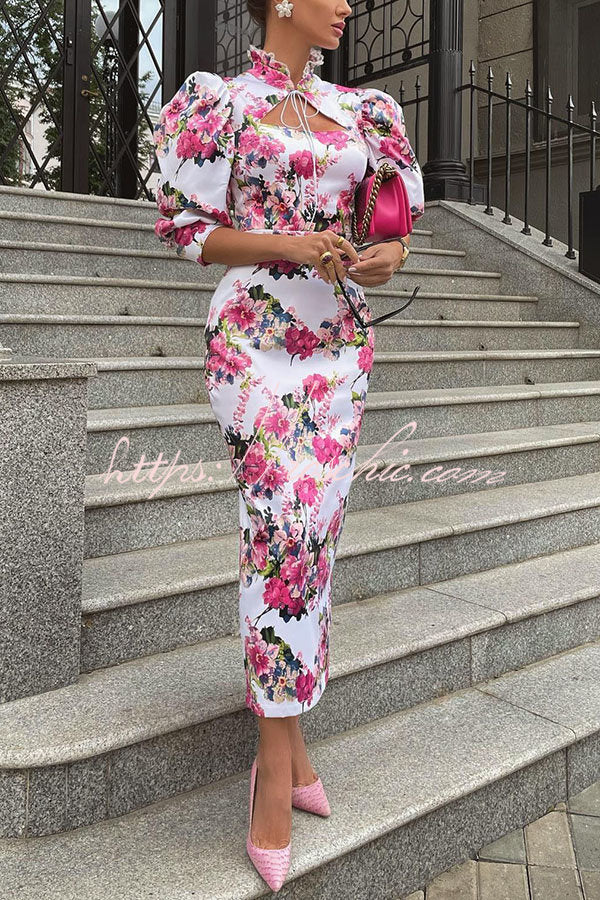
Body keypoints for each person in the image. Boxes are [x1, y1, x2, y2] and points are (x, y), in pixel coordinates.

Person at [152, 0, 424, 890]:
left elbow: (393, 226)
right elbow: (191, 234)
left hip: (339, 348)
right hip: (254, 340)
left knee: (314, 541)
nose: (347, 5)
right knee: (282, 531)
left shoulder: (362, 111)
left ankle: (294, 748)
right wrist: (294, 247)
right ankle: (275, 769)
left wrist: (385, 257)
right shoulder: (220, 101)